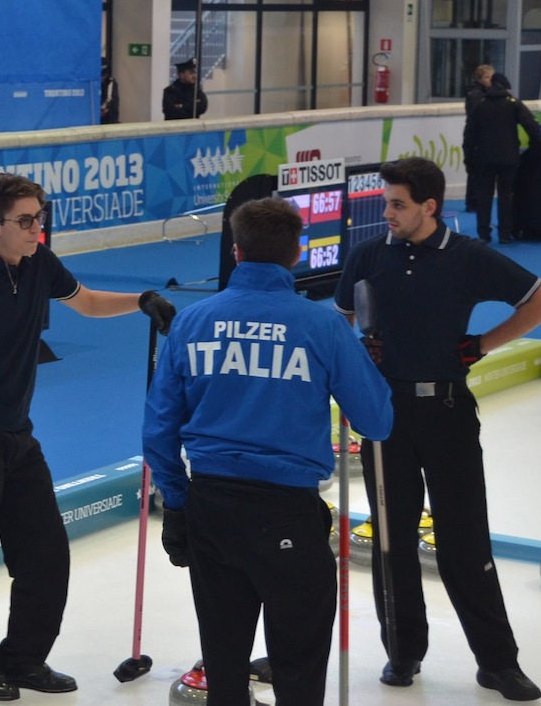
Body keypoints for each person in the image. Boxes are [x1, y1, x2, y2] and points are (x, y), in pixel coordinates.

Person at [0, 173, 175, 702]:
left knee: (46, 554)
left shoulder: (39, 264)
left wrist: (140, 299)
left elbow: (88, 302)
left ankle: (24, 659)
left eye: (40, 219)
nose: (36, 229)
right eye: (25, 221)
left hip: (17, 436)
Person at [143, 196, 394, 706]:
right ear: (296, 252)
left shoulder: (192, 323)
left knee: (223, 664)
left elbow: (158, 429)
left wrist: (177, 502)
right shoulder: (323, 326)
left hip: (211, 508)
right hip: (287, 515)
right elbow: (376, 422)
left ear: (235, 252)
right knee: (298, 668)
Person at [334, 157, 541, 703]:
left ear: (429, 207)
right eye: (385, 202)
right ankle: (403, 651)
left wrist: (481, 345)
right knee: (393, 542)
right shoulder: (366, 256)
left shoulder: (467, 257)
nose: (386, 212)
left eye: (397, 204)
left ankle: (497, 663)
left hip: (449, 414)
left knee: (464, 539)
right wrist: (356, 363)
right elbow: (339, 321)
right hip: (385, 419)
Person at [463, 72, 541, 244]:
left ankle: (484, 233)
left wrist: (469, 160)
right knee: (506, 195)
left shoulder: (480, 105)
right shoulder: (513, 104)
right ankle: (505, 233)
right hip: (509, 158)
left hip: (484, 158)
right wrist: (535, 147)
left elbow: (469, 135)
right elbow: (532, 126)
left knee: (484, 196)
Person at [463, 64, 495, 212]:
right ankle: (471, 202)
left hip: (486, 137)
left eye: (491, 77)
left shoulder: (493, 94)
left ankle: (478, 200)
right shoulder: (474, 95)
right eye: (487, 77)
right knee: (474, 171)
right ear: (480, 79)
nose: (490, 80)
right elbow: (473, 117)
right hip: (475, 136)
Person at [100, 57, 119, 124]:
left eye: (102, 75)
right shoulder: (94, 84)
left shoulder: (111, 82)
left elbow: (109, 99)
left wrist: (101, 109)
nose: (101, 78)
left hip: (110, 120)